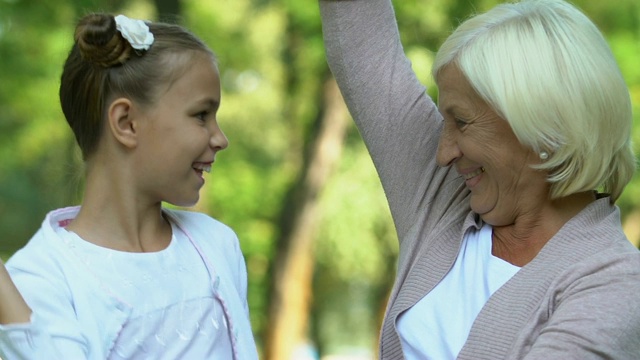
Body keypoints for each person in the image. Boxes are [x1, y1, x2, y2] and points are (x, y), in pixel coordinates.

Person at [319, 0, 640, 358]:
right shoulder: (443, 197)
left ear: (542, 129)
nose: (443, 154)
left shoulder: (617, 284)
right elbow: (361, 36)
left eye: (461, 121)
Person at [0, 13, 258, 359]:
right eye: (201, 115)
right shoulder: (39, 282)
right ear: (126, 123)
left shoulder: (217, 245)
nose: (221, 138)